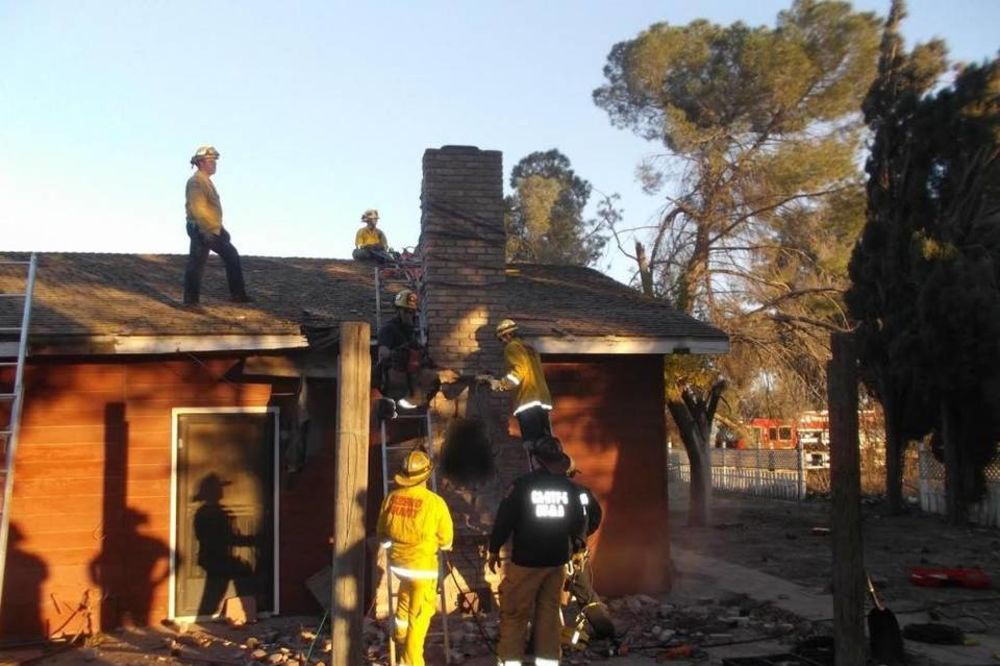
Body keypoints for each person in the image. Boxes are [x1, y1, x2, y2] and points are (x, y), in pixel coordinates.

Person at [487, 436, 586, 666]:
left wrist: (494, 549)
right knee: (549, 616)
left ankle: (510, 662)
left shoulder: (522, 486)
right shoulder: (569, 488)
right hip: (556, 563)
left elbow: (505, 520)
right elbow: (579, 521)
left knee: (514, 615)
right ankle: (548, 662)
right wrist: (578, 548)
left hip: (526, 564)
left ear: (536, 460)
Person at [376, 450, 454, 666]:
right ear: (427, 475)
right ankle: (410, 662)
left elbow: (382, 533)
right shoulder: (435, 503)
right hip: (422, 569)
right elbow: (446, 539)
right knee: (419, 617)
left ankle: (399, 633)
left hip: (399, 566)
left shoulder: (391, 498)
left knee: (406, 592)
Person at [562, 457, 618, 654]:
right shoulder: (582, 493)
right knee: (585, 593)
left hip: (549, 553)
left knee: (541, 594)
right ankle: (606, 630)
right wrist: (582, 539)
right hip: (575, 552)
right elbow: (595, 517)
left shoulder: (544, 491)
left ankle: (538, 639)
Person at [183, 145, 250, 305]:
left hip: (207, 228)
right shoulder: (196, 182)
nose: (214, 164)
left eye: (214, 161)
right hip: (203, 228)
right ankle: (238, 296)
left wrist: (220, 229)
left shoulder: (205, 181)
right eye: (210, 161)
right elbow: (198, 208)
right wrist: (209, 231)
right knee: (230, 256)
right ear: (200, 162)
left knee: (197, 263)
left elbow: (210, 211)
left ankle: (191, 300)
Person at [482, 319, 553, 444]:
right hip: (542, 400)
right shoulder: (529, 348)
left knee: (532, 444)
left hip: (527, 399)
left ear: (508, 335)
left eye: (502, 338)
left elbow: (519, 370)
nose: (502, 342)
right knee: (545, 444)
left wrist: (500, 385)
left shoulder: (512, 347)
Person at [376, 289, 438, 417]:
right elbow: (383, 353)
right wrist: (400, 352)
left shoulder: (410, 333)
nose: (411, 315)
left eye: (413, 312)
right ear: (399, 311)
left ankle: (419, 401)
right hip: (392, 379)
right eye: (408, 312)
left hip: (410, 383)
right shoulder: (389, 329)